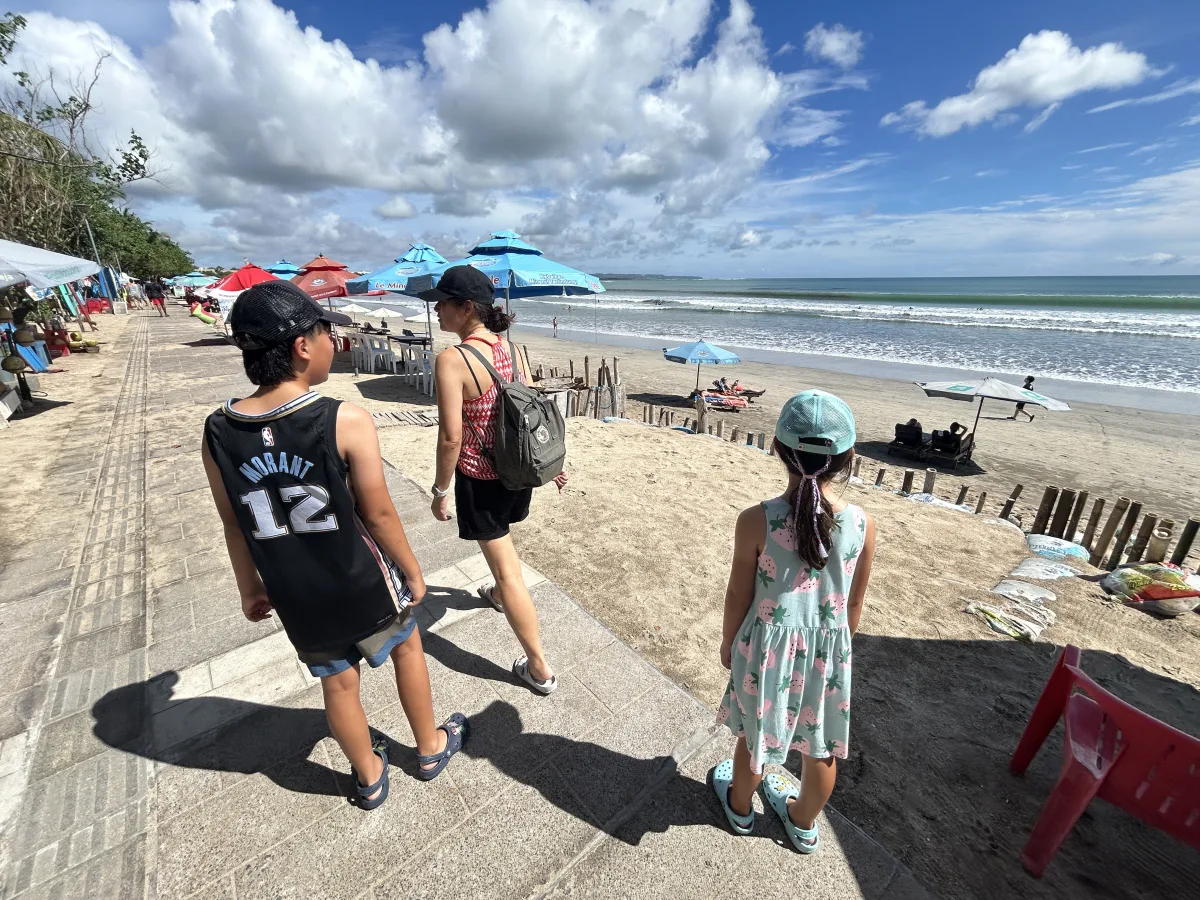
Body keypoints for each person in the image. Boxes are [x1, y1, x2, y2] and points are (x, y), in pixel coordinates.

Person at [201, 281, 465, 811]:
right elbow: (379, 513)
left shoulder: (218, 430)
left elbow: (234, 524)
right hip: (359, 577)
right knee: (407, 648)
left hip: (294, 590)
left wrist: (248, 587)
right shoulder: (340, 417)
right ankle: (430, 747)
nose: (333, 344)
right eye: (327, 334)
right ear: (303, 345)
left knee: (337, 685)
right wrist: (412, 570)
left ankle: (368, 775)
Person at [712, 390, 876, 854]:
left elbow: (737, 595)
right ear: (847, 459)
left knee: (755, 736)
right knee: (820, 745)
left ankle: (740, 809)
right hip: (828, 653)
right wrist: (835, 654)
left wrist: (729, 644)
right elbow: (852, 607)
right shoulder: (863, 525)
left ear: (778, 450)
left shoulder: (756, 521)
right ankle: (802, 821)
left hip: (765, 651)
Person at [422, 266, 568, 695]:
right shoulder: (513, 349)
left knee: (508, 571)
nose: (436, 308)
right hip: (518, 471)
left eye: (443, 301)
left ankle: (539, 668)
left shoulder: (453, 359)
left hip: (481, 478)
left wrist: (440, 490)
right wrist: (554, 464)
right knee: (503, 552)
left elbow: (451, 437)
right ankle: (502, 598)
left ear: (466, 308)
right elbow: (528, 412)